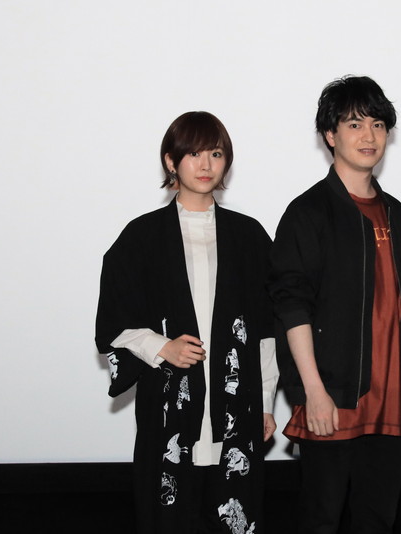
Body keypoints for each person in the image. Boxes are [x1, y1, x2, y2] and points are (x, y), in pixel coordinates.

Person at [95, 111, 278, 533]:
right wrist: (162, 346)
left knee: (235, 516)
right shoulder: (141, 237)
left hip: (237, 405)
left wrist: (267, 402)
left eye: (216, 153)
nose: (206, 164)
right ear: (171, 161)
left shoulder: (249, 236)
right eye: (194, 153)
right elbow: (113, 320)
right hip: (169, 409)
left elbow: (266, 330)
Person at [269, 76, 401, 534]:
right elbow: (291, 307)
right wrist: (312, 392)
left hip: (390, 399)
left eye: (377, 124)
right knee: (320, 520)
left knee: (377, 521)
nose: (368, 135)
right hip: (332, 398)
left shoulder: (397, 214)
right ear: (330, 135)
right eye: (354, 124)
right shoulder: (308, 213)